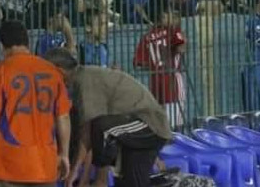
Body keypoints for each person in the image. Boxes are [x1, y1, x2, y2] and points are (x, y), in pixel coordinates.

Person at [44, 48, 171, 187]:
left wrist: (77, 174)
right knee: (133, 183)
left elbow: (89, 135)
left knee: (101, 128)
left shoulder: (85, 80)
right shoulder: (84, 78)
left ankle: (101, 181)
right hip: (140, 127)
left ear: (59, 71)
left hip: (149, 124)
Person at [0, 21, 71, 187]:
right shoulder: (52, 71)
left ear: (2, 46)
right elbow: (63, 117)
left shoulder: (1, 71)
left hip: (7, 167)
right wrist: (64, 154)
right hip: (44, 167)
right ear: (28, 43)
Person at [133, 0, 187, 130]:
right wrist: (182, 36)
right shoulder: (173, 30)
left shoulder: (146, 37)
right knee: (176, 125)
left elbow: (139, 63)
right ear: (163, 16)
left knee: (161, 124)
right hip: (173, 82)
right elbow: (181, 48)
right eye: (170, 12)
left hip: (156, 83)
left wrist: (156, 64)